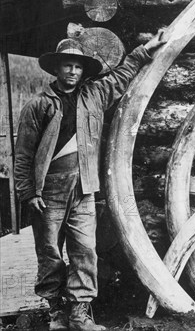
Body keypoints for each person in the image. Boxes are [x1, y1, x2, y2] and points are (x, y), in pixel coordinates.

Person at [14, 32, 166, 331]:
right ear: (56, 69)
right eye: (67, 66)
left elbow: (123, 75)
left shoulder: (95, 94)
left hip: (84, 188)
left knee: (85, 251)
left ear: (84, 71)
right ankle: (56, 313)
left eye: (78, 67)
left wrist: (143, 50)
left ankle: (79, 315)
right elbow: (23, 155)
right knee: (50, 254)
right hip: (49, 192)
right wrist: (28, 192)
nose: (72, 71)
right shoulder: (38, 106)